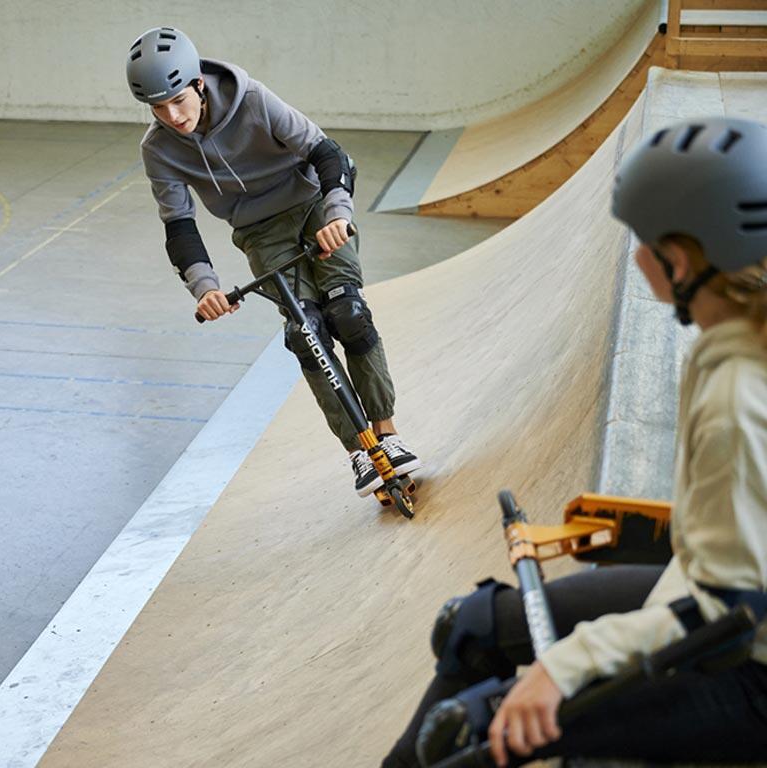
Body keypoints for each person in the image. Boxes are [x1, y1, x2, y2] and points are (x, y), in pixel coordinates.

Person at [382, 117, 767, 767]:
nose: (632, 255)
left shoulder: (740, 395)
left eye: (638, 242)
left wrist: (565, 667)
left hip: (746, 666)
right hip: (710, 592)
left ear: (676, 261)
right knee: (473, 625)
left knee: (467, 732)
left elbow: (732, 619)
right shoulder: (733, 340)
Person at [125, 26, 421, 496]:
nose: (172, 116)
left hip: (313, 207)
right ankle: (360, 453)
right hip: (259, 232)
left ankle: (389, 436)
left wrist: (338, 213)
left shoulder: (254, 100)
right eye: (158, 108)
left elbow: (328, 153)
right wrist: (205, 288)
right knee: (305, 332)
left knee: (348, 311)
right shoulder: (157, 149)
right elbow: (179, 227)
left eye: (179, 100)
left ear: (199, 82)